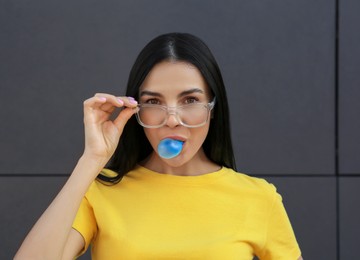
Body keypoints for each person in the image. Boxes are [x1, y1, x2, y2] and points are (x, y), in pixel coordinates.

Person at [15, 33, 302, 260]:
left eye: (190, 100)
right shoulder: (101, 193)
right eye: (154, 102)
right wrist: (92, 160)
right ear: (136, 109)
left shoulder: (259, 199)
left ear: (212, 108)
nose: (172, 120)